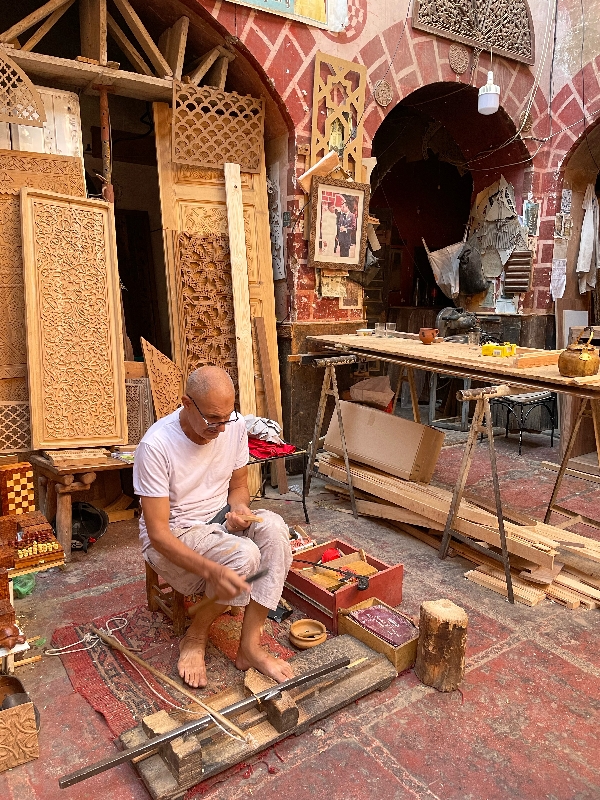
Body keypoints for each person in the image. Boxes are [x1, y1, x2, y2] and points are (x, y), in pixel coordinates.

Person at [133, 366, 294, 689]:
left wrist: (239, 509)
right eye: (212, 419)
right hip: (175, 534)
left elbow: (238, 487)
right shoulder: (156, 446)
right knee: (244, 556)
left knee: (275, 529)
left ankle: (249, 647)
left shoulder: (232, 427)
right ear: (187, 404)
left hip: (219, 521)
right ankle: (195, 636)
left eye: (227, 417)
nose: (220, 428)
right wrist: (211, 571)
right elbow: (158, 535)